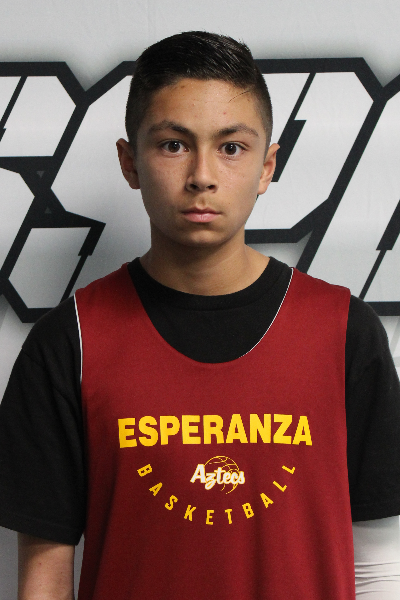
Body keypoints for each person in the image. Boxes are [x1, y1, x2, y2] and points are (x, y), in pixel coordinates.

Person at [0, 31, 399, 600]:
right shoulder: (70, 341)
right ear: (129, 162)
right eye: (173, 145)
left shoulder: (344, 332)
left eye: (231, 147)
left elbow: (380, 563)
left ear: (267, 166)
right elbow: (44, 577)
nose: (202, 175)